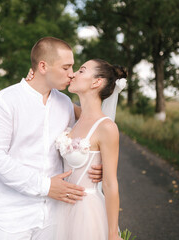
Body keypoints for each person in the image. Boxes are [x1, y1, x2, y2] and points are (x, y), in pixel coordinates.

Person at [0, 37, 102, 239]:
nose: (71, 74)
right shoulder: (6, 100)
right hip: (11, 216)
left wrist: (97, 164)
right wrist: (45, 186)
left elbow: (90, 133)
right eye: (66, 68)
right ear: (43, 66)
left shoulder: (65, 103)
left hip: (55, 216)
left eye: (72, 67)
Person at [54, 59, 126, 240]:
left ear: (96, 82)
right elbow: (45, 92)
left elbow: (110, 184)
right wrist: (34, 75)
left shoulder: (106, 127)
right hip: (61, 207)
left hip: (86, 211)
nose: (73, 74)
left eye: (81, 71)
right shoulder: (74, 114)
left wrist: (112, 233)